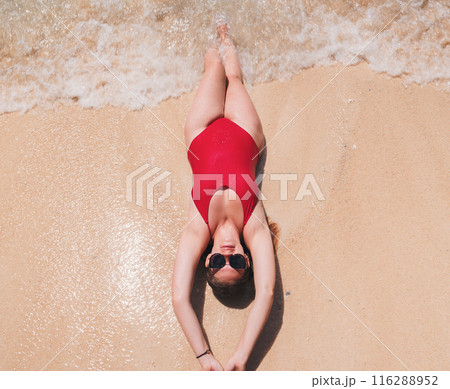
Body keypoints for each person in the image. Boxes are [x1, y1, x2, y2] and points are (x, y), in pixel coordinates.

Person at [171, 22, 277, 371]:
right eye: (238, 265)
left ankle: (199, 16)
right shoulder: (255, 227)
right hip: (246, 133)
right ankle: (227, 26)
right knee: (233, 73)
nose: (227, 258)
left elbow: (179, 298)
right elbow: (265, 294)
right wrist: (242, 357)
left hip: (200, 132)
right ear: (248, 259)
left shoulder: (197, 228)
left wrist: (204, 357)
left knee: (212, 66)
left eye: (218, 265)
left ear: (208, 261)